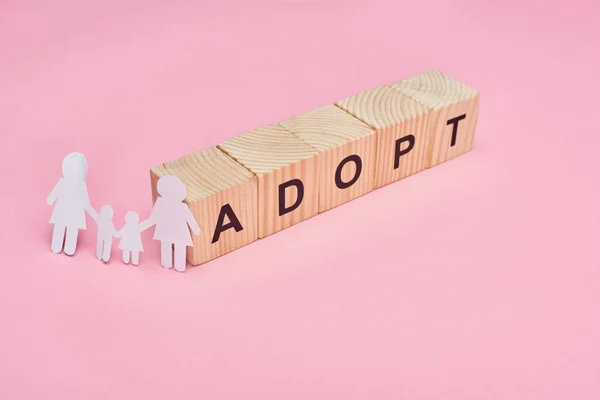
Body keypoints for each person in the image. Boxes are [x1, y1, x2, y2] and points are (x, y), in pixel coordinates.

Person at [140, 175, 200, 272]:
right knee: (168, 245)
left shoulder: (180, 206)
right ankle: (169, 263)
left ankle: (177, 265)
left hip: (173, 231)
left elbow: (190, 219)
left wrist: (196, 229)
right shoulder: (165, 204)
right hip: (169, 231)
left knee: (175, 246)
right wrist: (140, 227)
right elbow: (153, 219)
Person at [46, 152, 97, 255]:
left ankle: (67, 247)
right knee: (62, 227)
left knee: (70, 229)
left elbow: (86, 203)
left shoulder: (79, 185)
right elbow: (53, 196)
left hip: (71, 213)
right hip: (65, 212)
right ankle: (59, 246)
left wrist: (96, 216)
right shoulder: (64, 182)